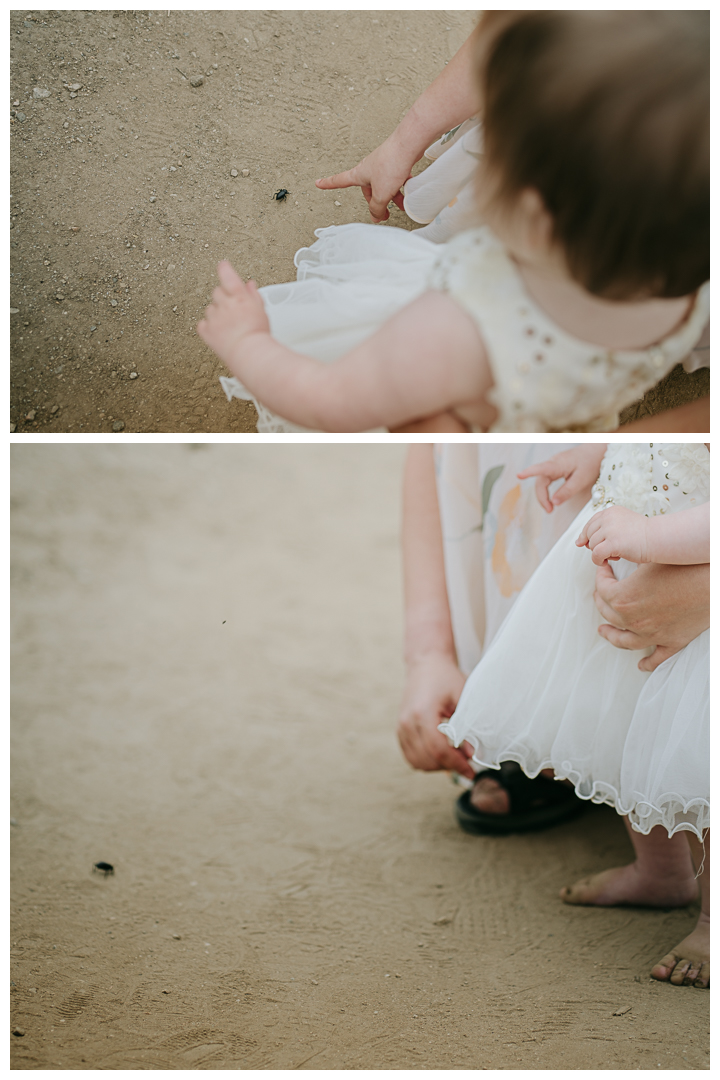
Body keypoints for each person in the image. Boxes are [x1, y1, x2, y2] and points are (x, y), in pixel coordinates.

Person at [198, 11, 709, 433]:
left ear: (534, 217)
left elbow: (327, 401)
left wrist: (247, 342)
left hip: (449, 407)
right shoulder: (687, 292)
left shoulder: (453, 330)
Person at [435, 443, 709, 988]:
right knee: (618, 709)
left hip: (693, 552)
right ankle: (661, 871)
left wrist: (651, 537)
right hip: (630, 514)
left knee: (695, 737)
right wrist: (604, 450)